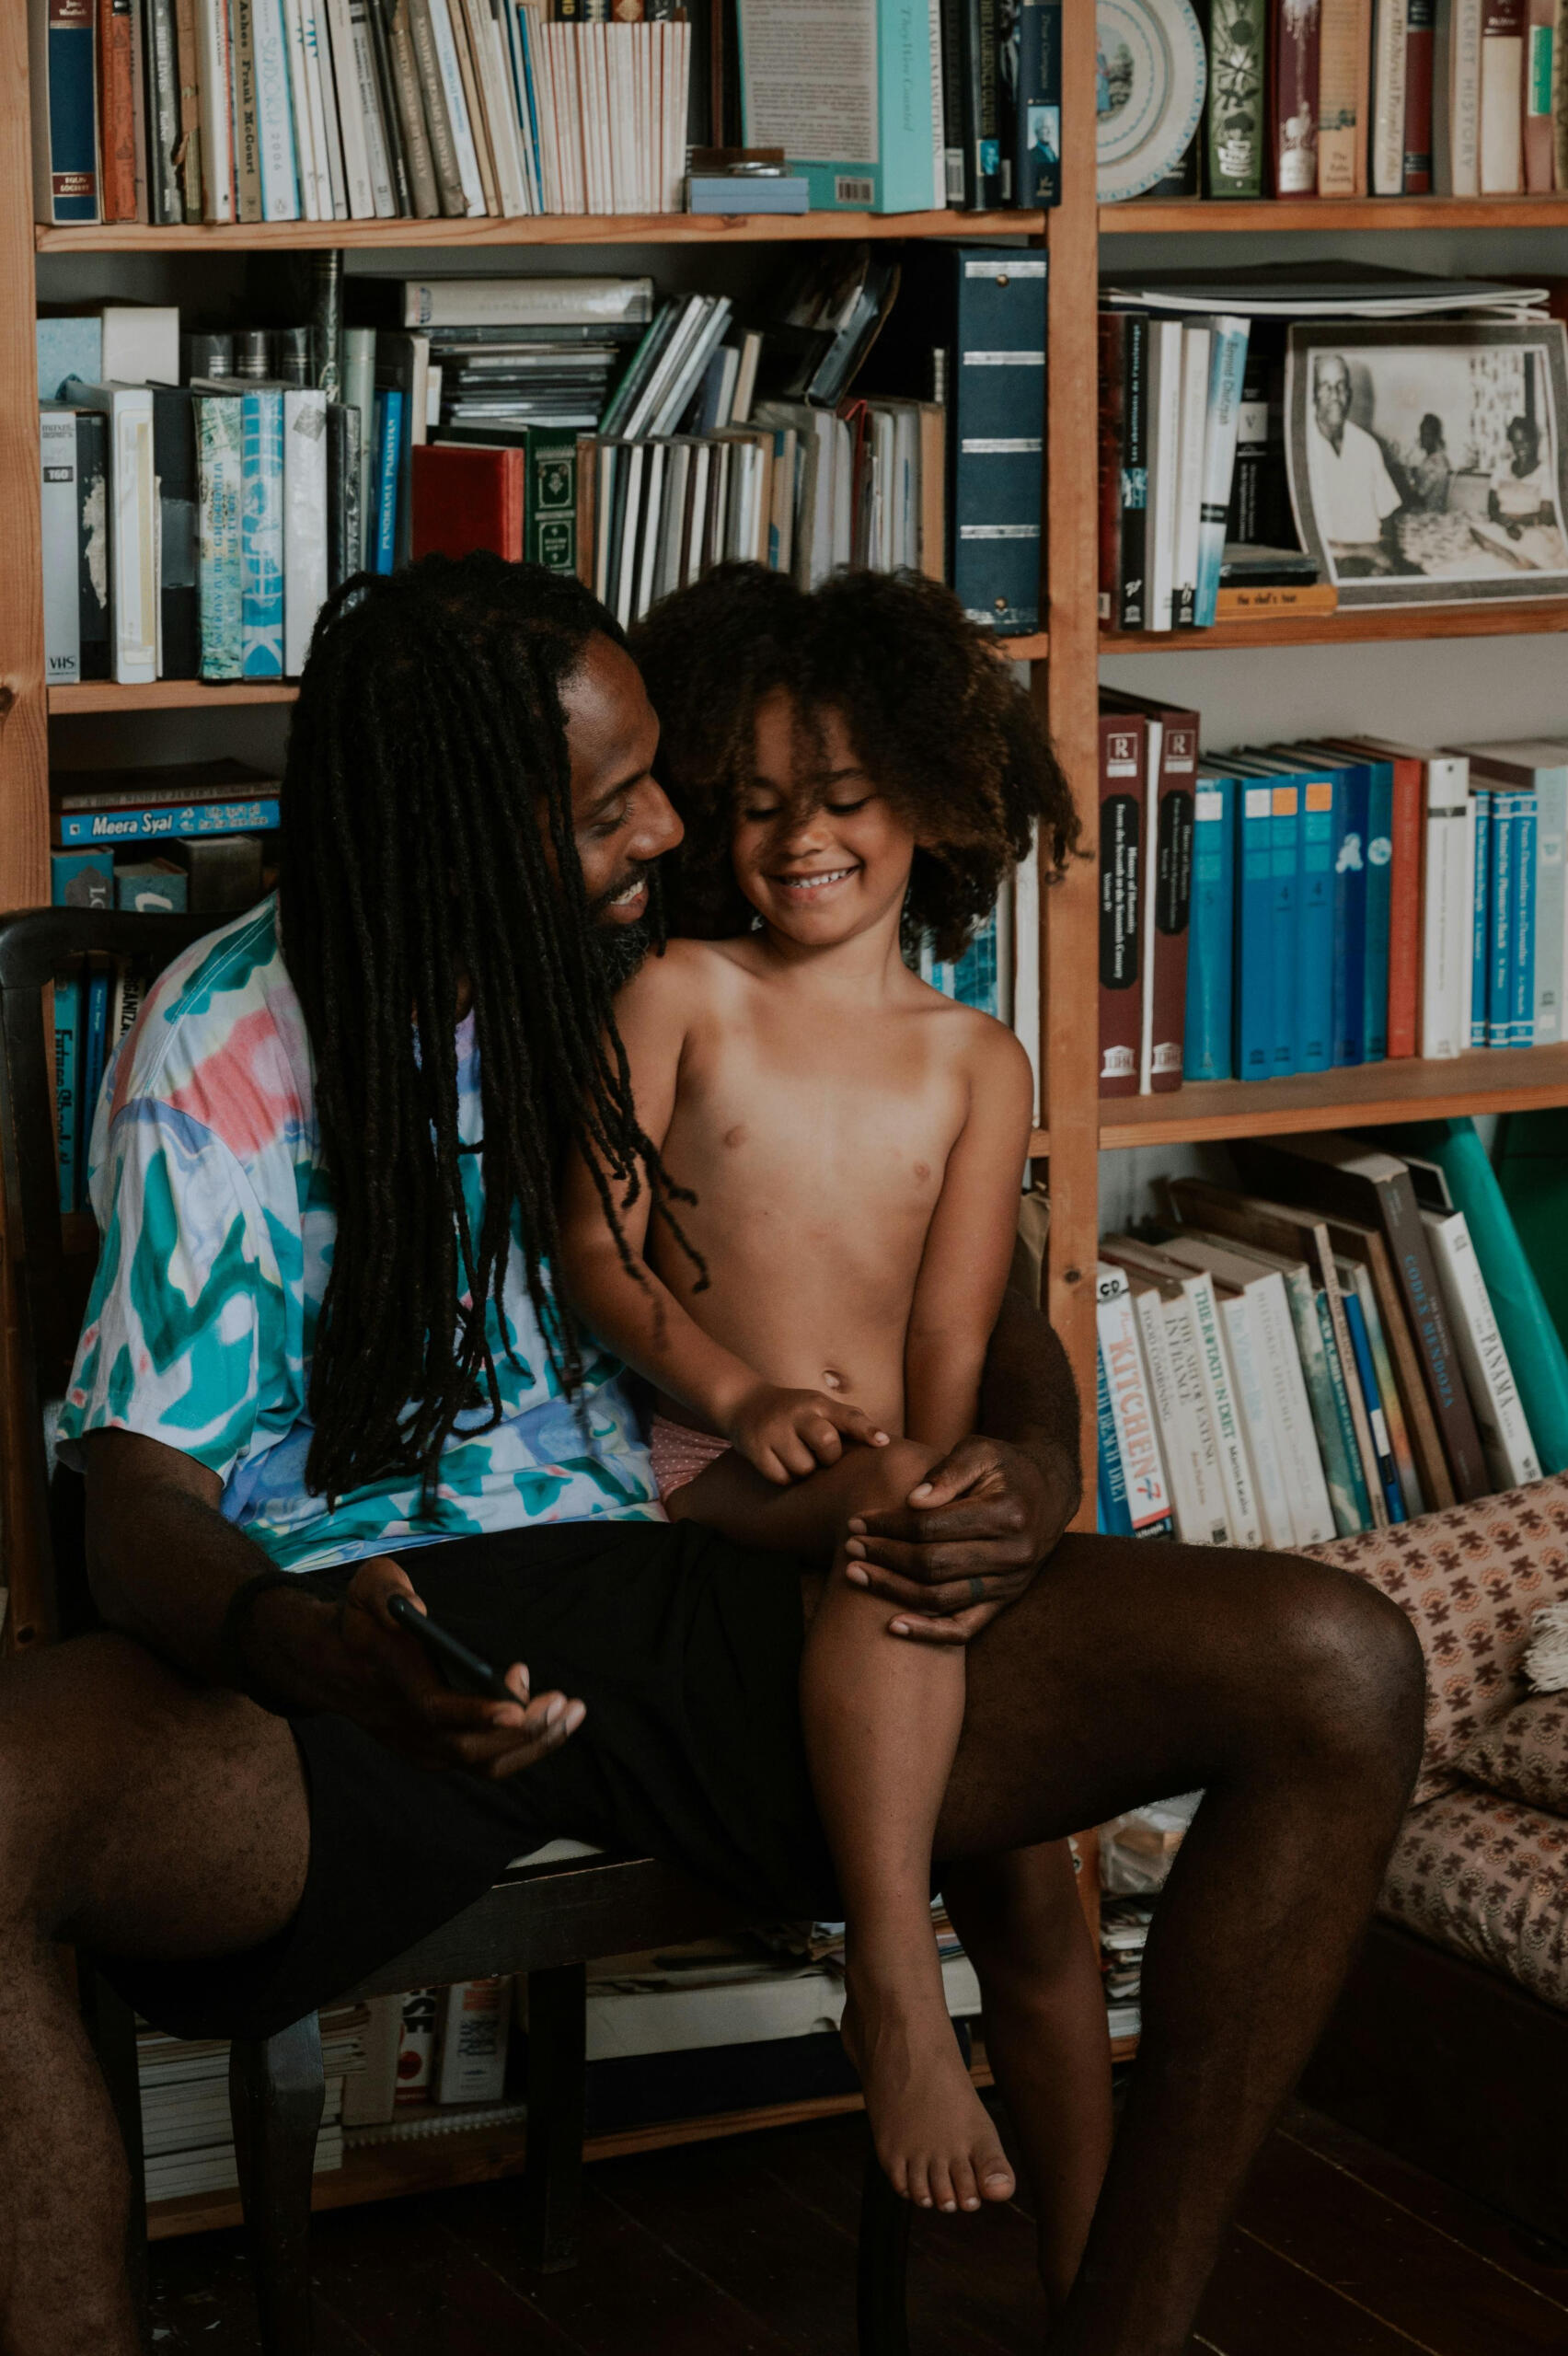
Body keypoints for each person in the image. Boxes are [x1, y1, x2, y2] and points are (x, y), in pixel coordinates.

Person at [0, 554, 1426, 2356]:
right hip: (350, 1659)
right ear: (463, 832)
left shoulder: (700, 967)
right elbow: (137, 1499)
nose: (672, 825)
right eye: (615, 803)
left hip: (705, 1584)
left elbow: (963, 1287)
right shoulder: (221, 1033)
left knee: (1338, 1663)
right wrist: (308, 1648)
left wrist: (1040, 1470)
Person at [559, 566, 1101, 2237]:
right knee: (887, 1525)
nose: (798, 838)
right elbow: (594, 1252)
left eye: (846, 801)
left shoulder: (974, 1059)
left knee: (1044, 1873)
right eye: (757, 804)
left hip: (872, 1470)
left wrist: (940, 1473)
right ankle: (886, 1975)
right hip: (695, 1455)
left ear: (934, 805)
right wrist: (740, 1389)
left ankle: (1096, 2281)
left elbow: (954, 1338)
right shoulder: (681, 999)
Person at [1306, 352, 1401, 575]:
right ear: (1312, 394)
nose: (1335, 395)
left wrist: (1382, 558)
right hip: (1324, 568)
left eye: (1341, 386)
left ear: (1349, 393)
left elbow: (1387, 518)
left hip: (1370, 566)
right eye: (1325, 386)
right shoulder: (1299, 445)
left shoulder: (1367, 446)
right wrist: (1366, 551)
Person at [1408, 413, 1452, 512]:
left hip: (1430, 516)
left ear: (1436, 437)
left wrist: (1409, 478)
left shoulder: (1438, 462)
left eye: (1426, 435)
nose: (1422, 438)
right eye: (1421, 434)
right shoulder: (1429, 459)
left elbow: (1420, 495)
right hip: (1424, 512)